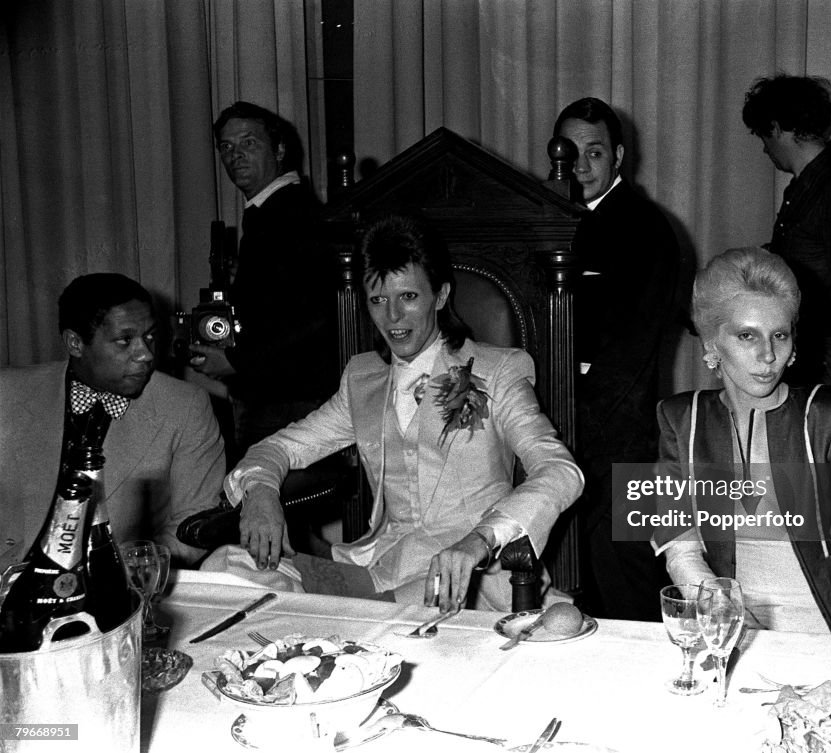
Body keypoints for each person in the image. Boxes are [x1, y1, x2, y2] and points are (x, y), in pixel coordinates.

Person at [221, 214, 583, 611]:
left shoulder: (498, 371)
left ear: (440, 296)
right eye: (378, 300)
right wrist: (260, 492)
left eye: (408, 297)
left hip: (472, 580)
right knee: (226, 568)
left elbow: (560, 471)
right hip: (382, 570)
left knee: (384, 623)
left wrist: (482, 538)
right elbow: (279, 449)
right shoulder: (361, 380)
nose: (392, 317)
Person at [652, 248, 831, 638]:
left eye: (779, 335)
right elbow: (681, 552)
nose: (768, 355)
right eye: (746, 335)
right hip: (727, 630)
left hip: (830, 635)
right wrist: (725, 614)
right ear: (711, 344)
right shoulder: (680, 419)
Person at [554, 96, 693, 620]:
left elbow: (631, 351)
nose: (581, 166)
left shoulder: (647, 228)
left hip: (617, 433)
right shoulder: (545, 219)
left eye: (594, 153)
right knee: (571, 583)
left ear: (617, 156)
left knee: (624, 579)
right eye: (571, 152)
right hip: (560, 427)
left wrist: (568, 422)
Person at [0, 273, 225, 572]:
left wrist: (119, 573)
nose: (146, 354)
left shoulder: (186, 406)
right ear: (75, 343)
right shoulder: (8, 394)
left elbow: (196, 524)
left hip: (121, 589)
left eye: (149, 336)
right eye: (125, 341)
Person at [190, 101, 339, 455]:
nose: (235, 155)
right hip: (282, 398)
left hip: (289, 402)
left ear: (280, 149)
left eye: (249, 143)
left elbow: (318, 315)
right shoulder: (271, 211)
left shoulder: (288, 212)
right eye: (227, 147)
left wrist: (235, 362)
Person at [742, 74, 831, 388]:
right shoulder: (807, 186)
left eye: (763, 136)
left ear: (776, 127)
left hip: (826, 361)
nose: (765, 149)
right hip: (803, 351)